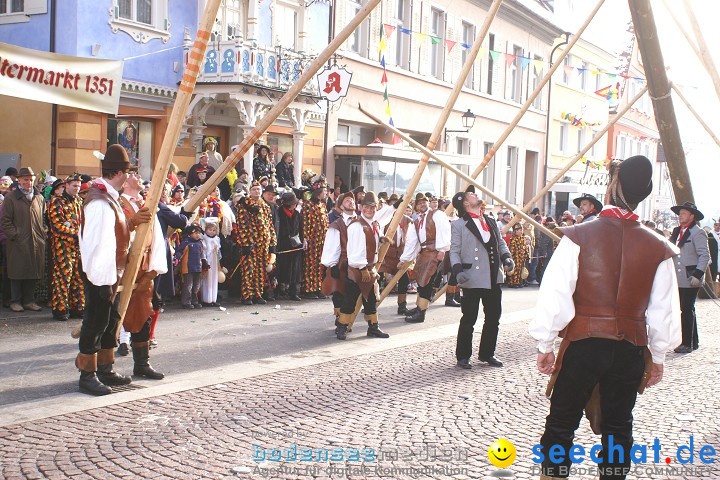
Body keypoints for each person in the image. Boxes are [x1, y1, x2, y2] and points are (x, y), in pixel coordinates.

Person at [528, 155, 680, 480]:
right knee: (618, 425)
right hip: (630, 349)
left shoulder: (579, 237)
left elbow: (555, 294)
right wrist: (660, 356)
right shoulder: (659, 248)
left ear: (611, 187)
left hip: (583, 344)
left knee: (561, 423)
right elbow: (663, 310)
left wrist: (545, 343)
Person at [76, 145, 153, 395]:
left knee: (110, 322)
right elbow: (96, 244)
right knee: (95, 322)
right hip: (101, 273)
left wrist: (130, 224)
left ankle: (105, 369)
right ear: (119, 173)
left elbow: (115, 235)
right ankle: (87, 374)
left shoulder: (108, 197)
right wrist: (101, 280)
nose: (131, 177)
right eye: (129, 172)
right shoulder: (99, 201)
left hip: (111, 272)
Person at [450, 185, 513, 369]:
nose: (475, 193)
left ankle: (487, 353)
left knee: (493, 317)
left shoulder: (490, 220)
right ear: (465, 204)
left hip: (493, 275)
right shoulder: (459, 225)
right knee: (469, 318)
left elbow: (500, 242)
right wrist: (458, 270)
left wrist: (507, 257)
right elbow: (454, 251)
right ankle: (463, 356)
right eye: (471, 194)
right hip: (471, 276)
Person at [335, 192, 390, 341]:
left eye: (373, 207)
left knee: (370, 300)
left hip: (369, 269)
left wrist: (380, 239)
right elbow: (355, 250)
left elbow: (369, 243)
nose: (370, 210)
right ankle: (341, 327)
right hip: (357, 269)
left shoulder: (374, 224)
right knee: (350, 300)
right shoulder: (357, 225)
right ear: (361, 207)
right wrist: (362, 268)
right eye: (367, 207)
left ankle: (373, 327)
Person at [400, 193, 451, 323]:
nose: (422, 204)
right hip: (424, 254)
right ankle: (419, 308)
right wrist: (405, 259)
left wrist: (442, 250)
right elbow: (412, 241)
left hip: (434, 252)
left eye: (424, 202)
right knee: (421, 281)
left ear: (428, 203)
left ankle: (421, 313)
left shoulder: (437, 214)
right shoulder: (416, 221)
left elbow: (443, 231)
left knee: (427, 282)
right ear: (416, 206)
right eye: (419, 203)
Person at [1, 167, 46, 312]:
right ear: (19, 180)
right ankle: (15, 301)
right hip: (17, 241)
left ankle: (29, 301)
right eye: (25, 179)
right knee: (16, 273)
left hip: (36, 240)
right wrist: (15, 235)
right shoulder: (11, 197)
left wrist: (43, 231)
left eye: (31, 179)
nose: (29, 182)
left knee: (33, 271)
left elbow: (43, 218)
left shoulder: (39, 197)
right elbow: (5, 220)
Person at [669, 201, 710, 353]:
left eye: (684, 213)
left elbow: (704, 256)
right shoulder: (676, 231)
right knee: (685, 309)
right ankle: (693, 341)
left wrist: (698, 275)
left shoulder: (697, 232)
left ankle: (687, 343)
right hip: (678, 278)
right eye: (680, 213)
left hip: (691, 277)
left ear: (692, 216)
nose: (680, 215)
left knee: (686, 310)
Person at [232, 181, 277, 305]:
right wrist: (245, 243)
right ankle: (247, 295)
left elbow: (270, 226)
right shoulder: (245, 205)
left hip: (264, 243)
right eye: (254, 189)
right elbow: (242, 226)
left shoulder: (266, 206)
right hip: (250, 243)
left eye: (258, 189)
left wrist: (272, 243)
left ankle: (258, 294)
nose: (257, 191)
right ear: (250, 191)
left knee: (261, 270)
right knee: (249, 270)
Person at [47, 173, 84, 321]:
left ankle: (78, 307)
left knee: (79, 277)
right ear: (66, 186)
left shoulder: (79, 202)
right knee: (63, 278)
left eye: (79, 186)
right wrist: (76, 233)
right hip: (63, 246)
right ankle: (60, 309)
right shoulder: (57, 202)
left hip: (79, 245)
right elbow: (56, 227)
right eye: (74, 186)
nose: (77, 188)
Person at [321, 192, 356, 326]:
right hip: (342, 262)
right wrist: (332, 265)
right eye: (347, 200)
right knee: (339, 292)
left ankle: (372, 325)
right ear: (340, 206)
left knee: (362, 294)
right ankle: (340, 321)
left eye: (352, 200)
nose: (350, 201)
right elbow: (331, 246)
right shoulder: (336, 225)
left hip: (358, 263)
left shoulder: (361, 222)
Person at [378, 195, 412, 315]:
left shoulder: (406, 220)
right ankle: (370, 304)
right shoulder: (384, 219)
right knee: (375, 279)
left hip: (399, 257)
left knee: (404, 280)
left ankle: (402, 306)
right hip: (385, 257)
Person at [302, 175, 329, 299]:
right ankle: (309, 289)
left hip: (322, 240)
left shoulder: (323, 206)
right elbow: (305, 223)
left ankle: (318, 287)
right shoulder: (307, 205)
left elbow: (326, 223)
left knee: (319, 265)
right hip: (312, 240)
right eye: (324, 190)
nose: (326, 193)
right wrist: (305, 238)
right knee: (310, 265)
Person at [276, 192, 303, 300]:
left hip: (295, 244)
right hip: (283, 245)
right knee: (282, 268)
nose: (295, 205)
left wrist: (302, 239)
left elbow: (300, 228)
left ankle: (294, 291)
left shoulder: (296, 214)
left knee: (295, 270)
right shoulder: (279, 213)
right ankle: (279, 289)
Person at [175, 224, 208, 309]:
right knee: (188, 285)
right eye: (196, 233)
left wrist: (204, 263)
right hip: (188, 267)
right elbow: (180, 252)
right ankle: (186, 302)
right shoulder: (186, 242)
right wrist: (177, 258)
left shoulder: (200, 243)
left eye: (199, 233)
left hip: (198, 267)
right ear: (190, 234)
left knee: (196, 286)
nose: (198, 235)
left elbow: (202, 254)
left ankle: (195, 301)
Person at [200, 219, 222, 306]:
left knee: (214, 278)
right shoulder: (204, 238)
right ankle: (206, 299)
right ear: (205, 230)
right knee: (207, 278)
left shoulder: (217, 239)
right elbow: (203, 251)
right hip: (207, 260)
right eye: (210, 230)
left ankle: (213, 298)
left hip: (214, 260)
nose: (212, 232)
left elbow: (218, 252)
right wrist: (204, 260)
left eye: (214, 230)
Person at [505, 223, 528, 288]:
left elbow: (525, 247)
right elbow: (512, 249)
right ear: (515, 231)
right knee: (514, 270)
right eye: (519, 230)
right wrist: (512, 257)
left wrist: (526, 254)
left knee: (520, 270)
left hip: (522, 257)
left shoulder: (523, 238)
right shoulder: (513, 239)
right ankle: (513, 283)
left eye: (521, 230)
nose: (521, 231)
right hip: (515, 257)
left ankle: (519, 282)